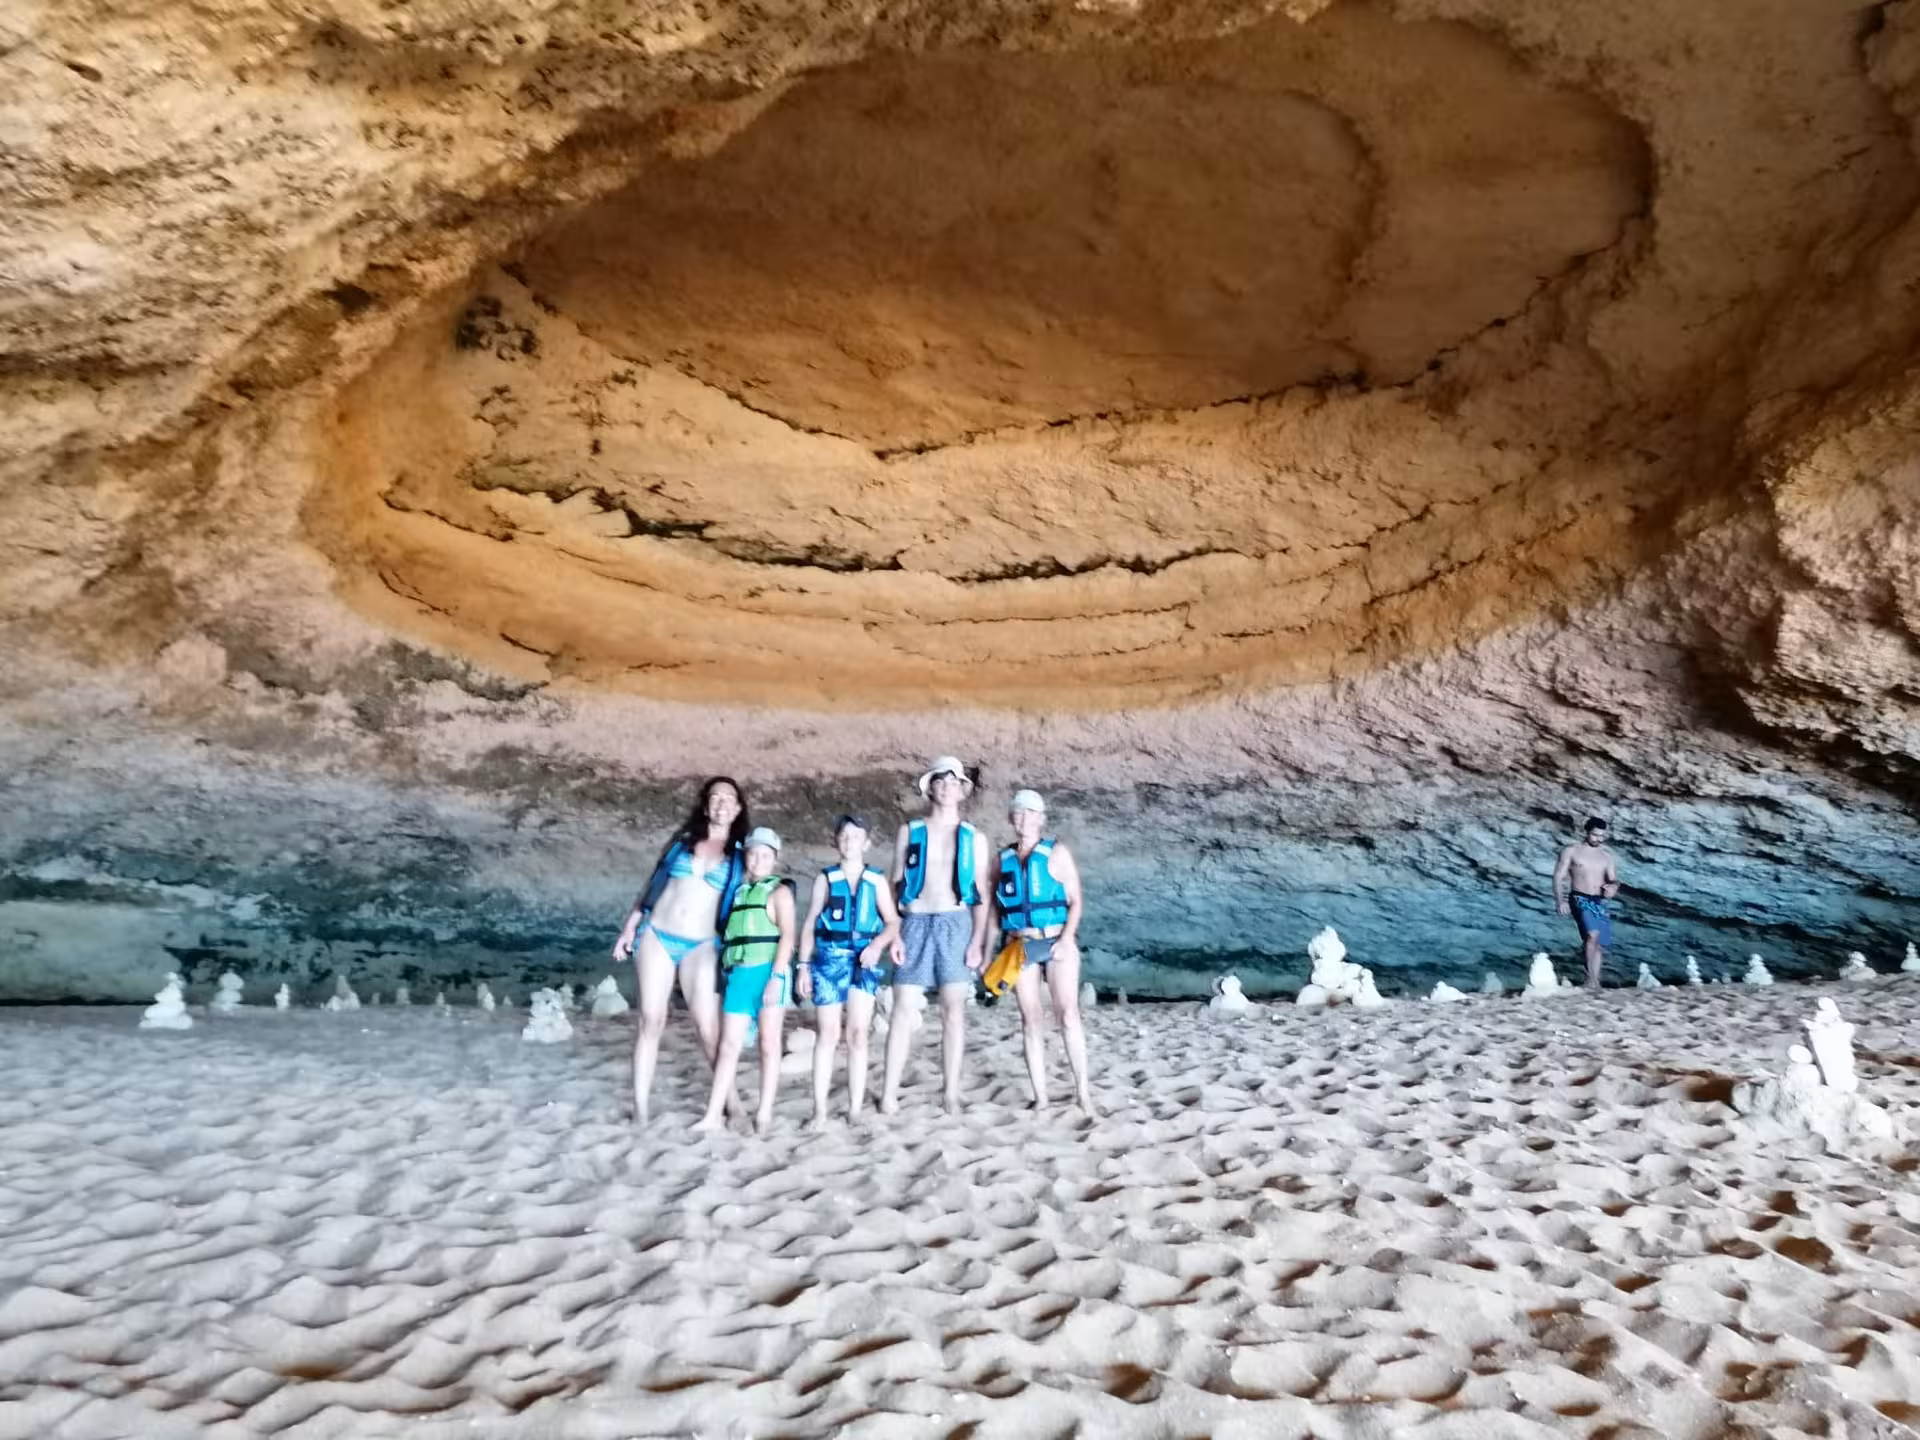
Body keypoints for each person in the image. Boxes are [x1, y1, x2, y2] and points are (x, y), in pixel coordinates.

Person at [612, 777, 749, 1123]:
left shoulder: (740, 857)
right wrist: (630, 926)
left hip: (701, 944)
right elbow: (653, 884)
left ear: (737, 809)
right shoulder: (682, 844)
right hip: (658, 934)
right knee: (651, 1021)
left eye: (728, 799)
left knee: (708, 1028)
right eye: (714, 798)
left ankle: (732, 1105)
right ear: (706, 807)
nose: (721, 803)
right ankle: (641, 1111)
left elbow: (753, 900)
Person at [881, 756, 991, 1115]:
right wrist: (893, 933)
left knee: (953, 1012)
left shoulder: (974, 838)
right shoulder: (910, 832)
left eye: (953, 781)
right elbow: (894, 885)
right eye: (940, 781)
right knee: (901, 1009)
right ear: (930, 788)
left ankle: (951, 1093)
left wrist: (977, 941)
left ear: (962, 790)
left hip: (955, 923)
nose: (946, 786)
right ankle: (888, 1094)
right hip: (914, 922)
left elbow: (981, 894)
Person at [992, 789, 1097, 1117]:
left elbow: (1075, 901)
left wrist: (1066, 940)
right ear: (1011, 819)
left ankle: (1082, 1092)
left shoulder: (1056, 853)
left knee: (1067, 1014)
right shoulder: (1002, 860)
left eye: (1030, 813)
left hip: (1054, 940)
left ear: (1041, 818)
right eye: (1018, 813)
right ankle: (1042, 1096)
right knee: (1031, 1019)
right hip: (1020, 946)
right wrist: (991, 950)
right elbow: (995, 907)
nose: (1024, 818)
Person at [797, 815, 902, 1127]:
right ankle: (820, 1111)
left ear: (866, 843)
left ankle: (855, 1109)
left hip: (864, 960)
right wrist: (803, 966)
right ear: (835, 842)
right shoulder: (825, 879)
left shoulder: (877, 880)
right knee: (827, 1034)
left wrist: (877, 946)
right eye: (843, 836)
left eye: (855, 837)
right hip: (829, 958)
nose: (848, 842)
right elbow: (810, 923)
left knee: (857, 1034)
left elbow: (893, 921)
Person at [696, 828, 797, 1134]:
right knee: (728, 1046)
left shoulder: (779, 892)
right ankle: (714, 1114)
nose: (758, 860)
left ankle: (764, 1114)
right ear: (746, 856)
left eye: (766, 855)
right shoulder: (737, 892)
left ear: (775, 860)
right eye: (753, 854)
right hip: (739, 974)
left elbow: (788, 936)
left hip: (768, 973)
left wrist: (777, 978)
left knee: (769, 1044)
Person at [1554, 816, 1620, 990]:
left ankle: (1595, 982)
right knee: (1591, 935)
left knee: (1598, 943)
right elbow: (1558, 876)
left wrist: (1613, 887)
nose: (1598, 839)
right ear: (1586, 832)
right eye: (1595, 835)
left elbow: (1614, 880)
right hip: (1579, 898)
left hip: (1598, 901)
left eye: (1601, 836)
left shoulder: (1606, 856)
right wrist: (1561, 901)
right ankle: (1590, 979)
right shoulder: (1571, 851)